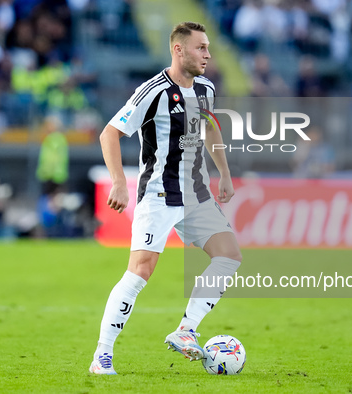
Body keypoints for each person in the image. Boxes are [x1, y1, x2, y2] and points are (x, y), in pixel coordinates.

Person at [90, 22, 242, 375]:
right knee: (140, 272)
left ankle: (187, 330)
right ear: (179, 50)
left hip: (196, 194)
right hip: (159, 195)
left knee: (229, 256)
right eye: (201, 48)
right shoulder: (153, 91)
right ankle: (102, 355)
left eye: (208, 48)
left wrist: (224, 172)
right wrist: (117, 182)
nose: (208, 55)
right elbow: (109, 134)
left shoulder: (206, 88)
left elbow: (209, 126)